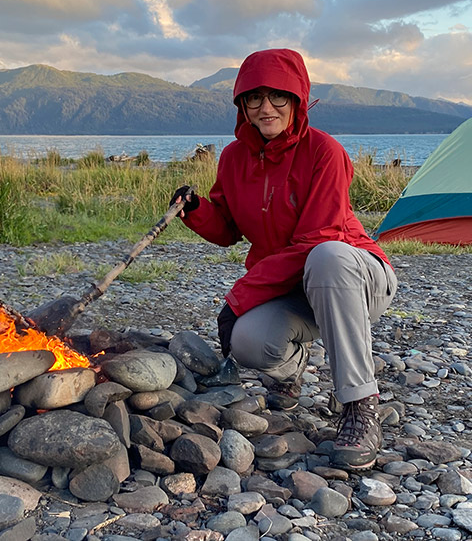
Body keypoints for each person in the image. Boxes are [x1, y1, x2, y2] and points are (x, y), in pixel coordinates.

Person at [170, 48, 397, 470]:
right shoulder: (234, 158)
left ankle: (360, 405)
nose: (266, 107)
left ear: (298, 98)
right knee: (246, 341)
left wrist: (241, 296)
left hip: (354, 278)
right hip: (292, 286)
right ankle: (291, 369)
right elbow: (226, 228)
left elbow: (318, 240)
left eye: (278, 96)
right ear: (242, 104)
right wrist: (197, 209)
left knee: (328, 257)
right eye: (254, 98)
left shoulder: (324, 152)